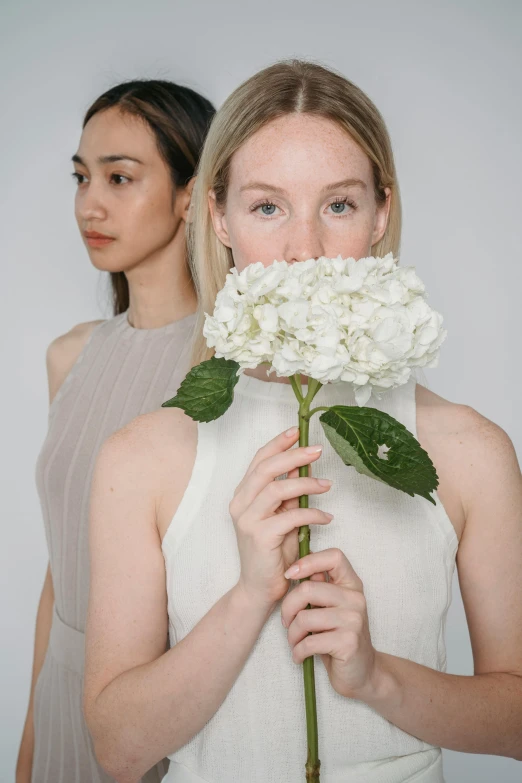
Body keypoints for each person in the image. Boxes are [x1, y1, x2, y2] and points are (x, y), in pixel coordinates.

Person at [84, 60, 522, 783]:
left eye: (339, 206)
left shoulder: (470, 451)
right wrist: (251, 594)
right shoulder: (142, 458)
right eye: (268, 207)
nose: (305, 249)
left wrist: (376, 675)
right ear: (217, 217)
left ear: (382, 212)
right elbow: (118, 750)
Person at [16, 80, 215, 783]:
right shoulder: (70, 355)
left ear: (191, 194)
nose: (88, 204)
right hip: (64, 691)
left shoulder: (229, 367)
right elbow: (60, 569)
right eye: (82, 177)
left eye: (120, 177)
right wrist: (31, 742)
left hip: (172, 711)